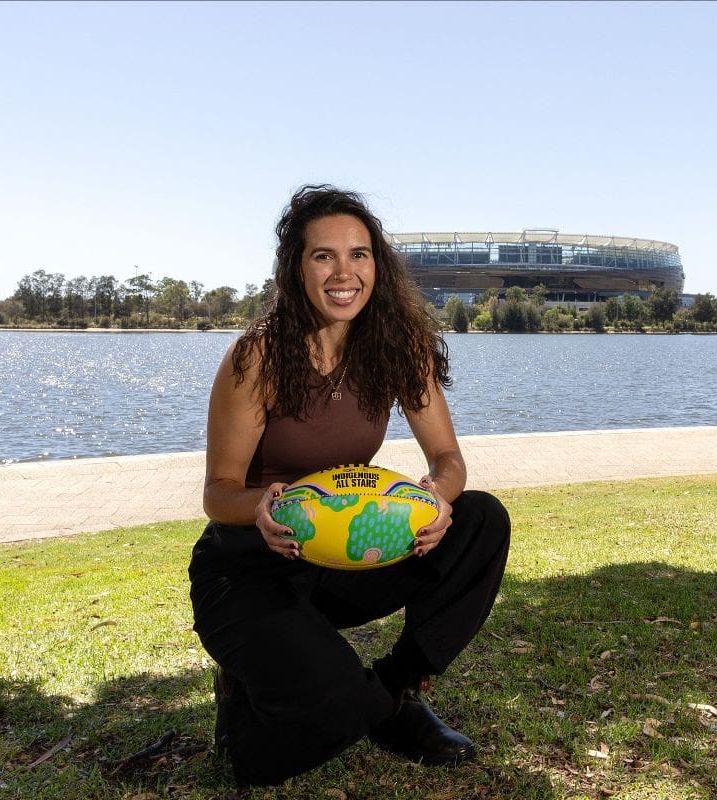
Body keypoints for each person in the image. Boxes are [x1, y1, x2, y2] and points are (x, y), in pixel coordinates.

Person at [189, 184, 511, 786]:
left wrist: (437, 498)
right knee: (320, 727)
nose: (345, 272)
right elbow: (218, 491)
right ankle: (245, 698)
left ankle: (398, 690)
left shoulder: (397, 349)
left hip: (340, 559)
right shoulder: (255, 358)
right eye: (323, 256)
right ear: (296, 267)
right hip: (248, 568)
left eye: (358, 254)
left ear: (376, 265)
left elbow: (447, 458)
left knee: (480, 520)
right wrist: (262, 506)